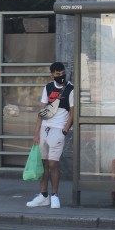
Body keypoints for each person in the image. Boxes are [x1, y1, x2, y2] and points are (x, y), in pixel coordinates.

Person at [26, 62, 74, 209]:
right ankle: (43, 195)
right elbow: (42, 111)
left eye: (62, 73)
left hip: (58, 130)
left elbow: (73, 112)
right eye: (57, 74)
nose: (61, 76)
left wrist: (65, 129)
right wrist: (36, 133)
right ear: (52, 74)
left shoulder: (70, 88)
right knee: (44, 164)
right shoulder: (47, 88)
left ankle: (55, 196)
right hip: (44, 130)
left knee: (53, 164)